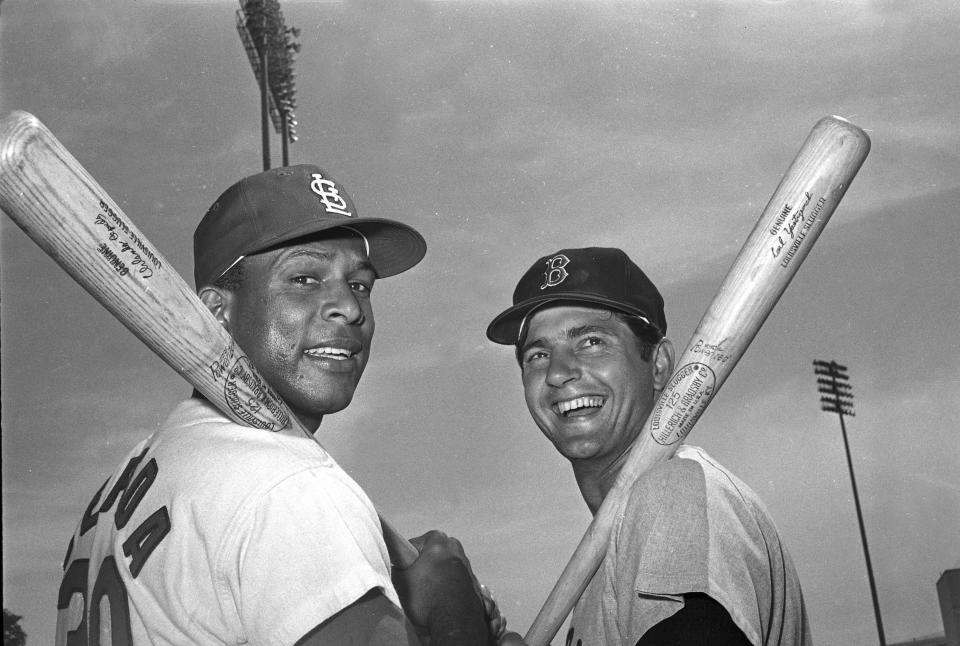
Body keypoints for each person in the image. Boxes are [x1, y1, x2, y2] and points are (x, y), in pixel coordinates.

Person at [55, 165, 501, 645]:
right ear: (215, 311)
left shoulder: (128, 479)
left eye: (360, 284)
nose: (350, 308)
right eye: (306, 278)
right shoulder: (291, 489)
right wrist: (454, 614)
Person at [486, 247, 811, 646]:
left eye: (590, 342)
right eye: (538, 354)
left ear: (658, 366)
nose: (558, 372)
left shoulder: (672, 495)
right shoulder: (603, 557)